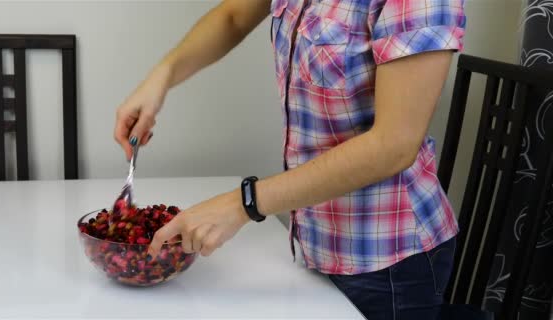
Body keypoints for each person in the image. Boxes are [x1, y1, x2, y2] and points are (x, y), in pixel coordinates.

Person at [114, 0, 466, 319]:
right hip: (311, 239)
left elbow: (394, 144)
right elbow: (234, 17)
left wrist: (243, 203)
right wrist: (161, 78)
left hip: (387, 263)